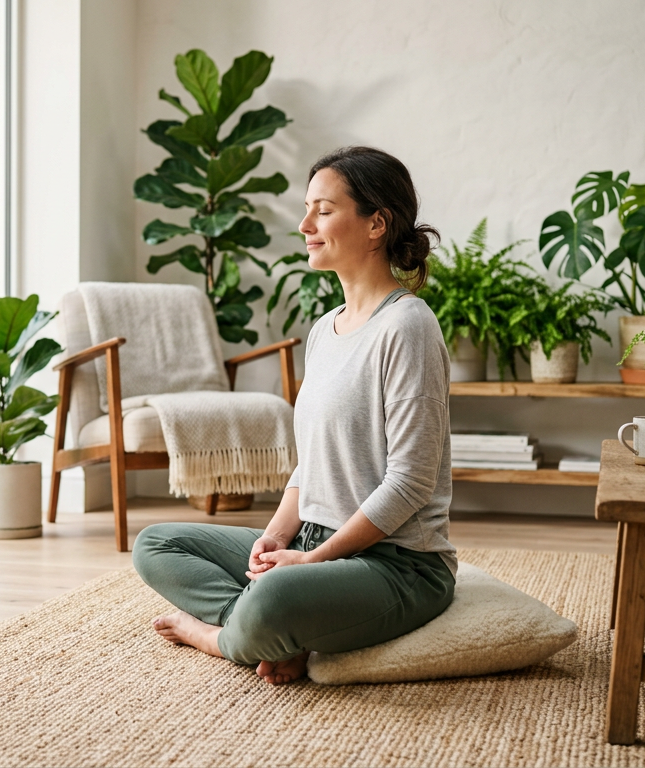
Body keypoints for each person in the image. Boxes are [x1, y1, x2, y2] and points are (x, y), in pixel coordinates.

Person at [132, 145, 458, 685]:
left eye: (323, 210)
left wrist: (314, 564)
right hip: (312, 539)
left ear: (376, 223)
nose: (305, 224)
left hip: (399, 565)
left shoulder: (408, 327)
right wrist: (275, 539)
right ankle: (285, 628)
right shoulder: (325, 330)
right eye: (308, 209)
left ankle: (221, 636)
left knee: (275, 597)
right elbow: (310, 465)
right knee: (157, 544)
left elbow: (411, 482)